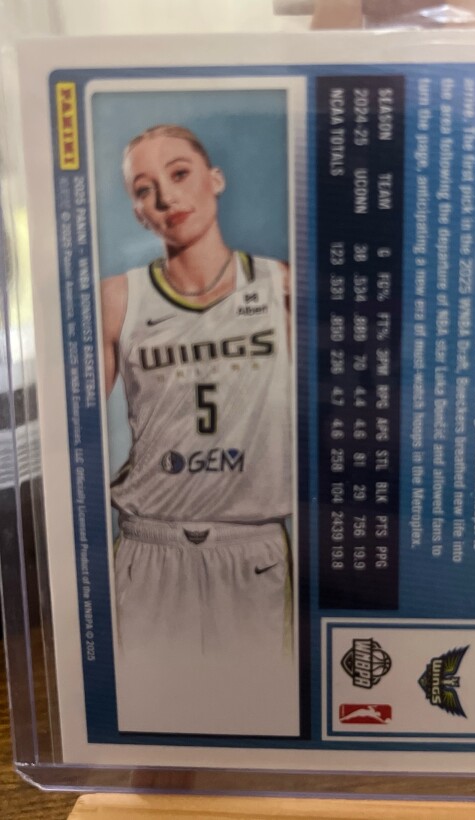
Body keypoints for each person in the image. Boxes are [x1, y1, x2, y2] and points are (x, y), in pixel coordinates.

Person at [100, 124, 297, 736]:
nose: (166, 197)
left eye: (180, 173)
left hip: (252, 547)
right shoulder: (117, 300)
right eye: (144, 189)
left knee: (258, 733)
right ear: (137, 212)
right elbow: (68, 437)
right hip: (150, 547)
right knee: (156, 740)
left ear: (215, 179)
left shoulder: (282, 287)